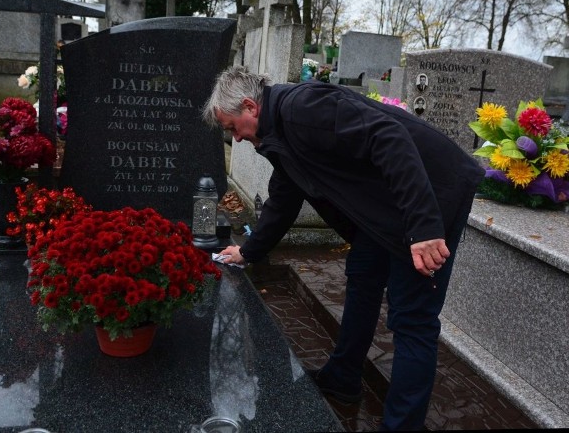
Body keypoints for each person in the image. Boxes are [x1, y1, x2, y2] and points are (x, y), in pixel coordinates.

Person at [202, 66, 484, 431]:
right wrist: (250, 251)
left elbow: (389, 137)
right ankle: (343, 378)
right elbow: (285, 197)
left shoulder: (302, 109)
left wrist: (425, 228)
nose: (235, 138)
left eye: (231, 127)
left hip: (432, 195)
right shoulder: (278, 133)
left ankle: (402, 425)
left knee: (412, 319)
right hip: (385, 209)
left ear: (249, 107)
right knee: (363, 278)